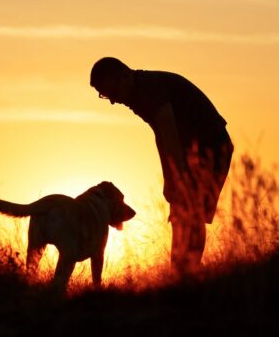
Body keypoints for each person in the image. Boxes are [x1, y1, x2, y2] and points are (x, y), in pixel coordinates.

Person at [90, 57, 233, 275]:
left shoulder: (148, 89)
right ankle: (182, 273)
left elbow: (168, 130)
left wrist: (180, 177)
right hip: (194, 150)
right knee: (182, 212)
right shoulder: (138, 92)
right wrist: (170, 177)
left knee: (190, 213)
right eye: (105, 96)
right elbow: (161, 135)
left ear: (123, 76)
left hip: (211, 147)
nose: (112, 101)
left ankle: (185, 274)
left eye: (110, 92)